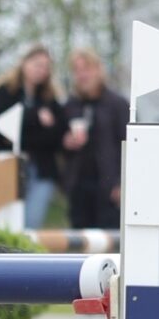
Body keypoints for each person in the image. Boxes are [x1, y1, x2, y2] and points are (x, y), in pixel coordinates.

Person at [0, 45, 65, 229]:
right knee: (3, 223)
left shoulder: (50, 98)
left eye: (46, 67)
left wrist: (24, 130)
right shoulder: (5, 92)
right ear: (24, 63)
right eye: (37, 64)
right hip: (8, 168)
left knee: (31, 223)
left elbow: (56, 135)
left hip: (41, 171)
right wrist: (36, 117)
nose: (41, 70)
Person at [59, 49, 127, 231]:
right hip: (78, 188)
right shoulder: (70, 105)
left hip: (109, 188)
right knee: (79, 240)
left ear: (98, 70)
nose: (82, 75)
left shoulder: (118, 104)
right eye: (77, 70)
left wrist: (122, 183)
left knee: (110, 239)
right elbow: (57, 144)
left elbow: (131, 145)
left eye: (86, 69)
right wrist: (66, 142)